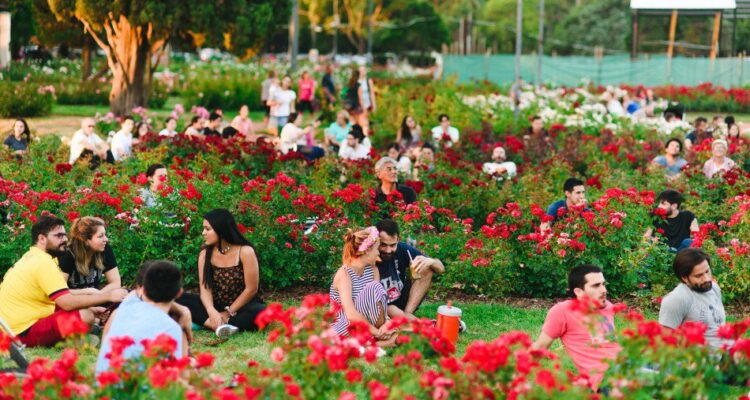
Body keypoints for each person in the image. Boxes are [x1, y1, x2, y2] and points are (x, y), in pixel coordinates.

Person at [0, 216, 127, 347]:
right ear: (42, 238)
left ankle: (75, 338)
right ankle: (73, 340)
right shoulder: (43, 263)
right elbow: (66, 303)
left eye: (64, 235)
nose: (65, 239)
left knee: (86, 312)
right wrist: (107, 296)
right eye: (59, 236)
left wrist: (93, 305)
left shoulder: (35, 257)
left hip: (14, 325)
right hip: (20, 333)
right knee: (86, 316)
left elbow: (59, 298)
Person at [177, 209, 265, 337]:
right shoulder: (205, 254)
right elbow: (205, 288)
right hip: (216, 305)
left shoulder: (245, 251)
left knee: (261, 313)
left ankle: (217, 323)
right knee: (177, 297)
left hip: (242, 306)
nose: (203, 233)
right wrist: (211, 311)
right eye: (203, 229)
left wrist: (228, 313)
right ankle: (217, 325)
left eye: (208, 229)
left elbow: (251, 289)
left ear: (221, 230)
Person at [532, 264, 621, 391]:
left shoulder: (607, 307)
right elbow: (540, 347)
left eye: (603, 284)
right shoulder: (562, 311)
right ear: (578, 291)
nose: (604, 290)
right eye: (596, 285)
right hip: (607, 379)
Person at [95, 260, 188, 374]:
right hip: (138, 390)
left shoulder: (122, 310)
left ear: (142, 289)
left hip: (103, 387)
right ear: (179, 293)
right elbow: (176, 378)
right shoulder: (171, 328)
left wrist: (183, 311)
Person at [329, 226, 395, 346]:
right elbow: (350, 314)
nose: (378, 253)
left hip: (364, 325)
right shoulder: (344, 274)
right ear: (367, 251)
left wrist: (386, 323)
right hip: (345, 325)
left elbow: (379, 303)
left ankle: (374, 340)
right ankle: (378, 340)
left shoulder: (373, 270)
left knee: (375, 289)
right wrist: (376, 332)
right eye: (376, 249)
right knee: (374, 287)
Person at [659, 248, 730, 349]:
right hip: (698, 361)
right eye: (699, 275)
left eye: (707, 271)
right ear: (684, 278)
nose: (706, 278)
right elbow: (665, 342)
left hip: (725, 356)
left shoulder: (714, 288)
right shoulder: (677, 299)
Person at [375, 219, 444, 320]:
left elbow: (441, 268)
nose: (388, 250)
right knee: (392, 309)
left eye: (392, 245)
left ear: (398, 240)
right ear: (376, 241)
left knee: (427, 269)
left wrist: (431, 261)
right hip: (382, 305)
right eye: (383, 245)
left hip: (400, 299)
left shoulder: (402, 248)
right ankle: (424, 324)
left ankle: (408, 314)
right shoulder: (369, 254)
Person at [58, 216, 121, 292]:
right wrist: (88, 294)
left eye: (105, 235)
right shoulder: (67, 255)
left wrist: (98, 296)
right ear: (85, 240)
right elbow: (60, 292)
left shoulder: (105, 249)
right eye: (100, 236)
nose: (106, 239)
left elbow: (116, 283)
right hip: (72, 301)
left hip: (96, 298)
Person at [357, 65, 376, 135]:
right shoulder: (357, 82)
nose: (362, 72)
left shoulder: (368, 81)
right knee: (362, 122)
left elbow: (372, 93)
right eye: (360, 71)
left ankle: (366, 136)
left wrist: (374, 105)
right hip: (359, 106)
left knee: (366, 122)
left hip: (367, 104)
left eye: (363, 71)